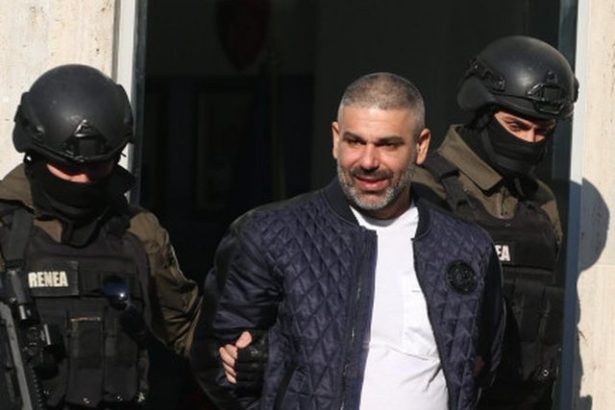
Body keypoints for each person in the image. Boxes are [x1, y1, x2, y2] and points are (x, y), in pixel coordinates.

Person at [190, 72, 505, 410]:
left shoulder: (467, 247)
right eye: (355, 142)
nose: (368, 162)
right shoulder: (268, 234)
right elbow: (216, 358)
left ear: (421, 146)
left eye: (387, 145)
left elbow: (484, 363)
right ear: (336, 138)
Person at [0, 64, 201, 409]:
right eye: (69, 166)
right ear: (36, 152)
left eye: (97, 165)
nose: (83, 179)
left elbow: (186, 327)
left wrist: (243, 349)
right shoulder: (6, 230)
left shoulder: (139, 232)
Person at [411, 35, 578, 409]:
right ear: (482, 113)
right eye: (516, 126)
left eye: (543, 131)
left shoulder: (540, 203)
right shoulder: (423, 188)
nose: (530, 141)